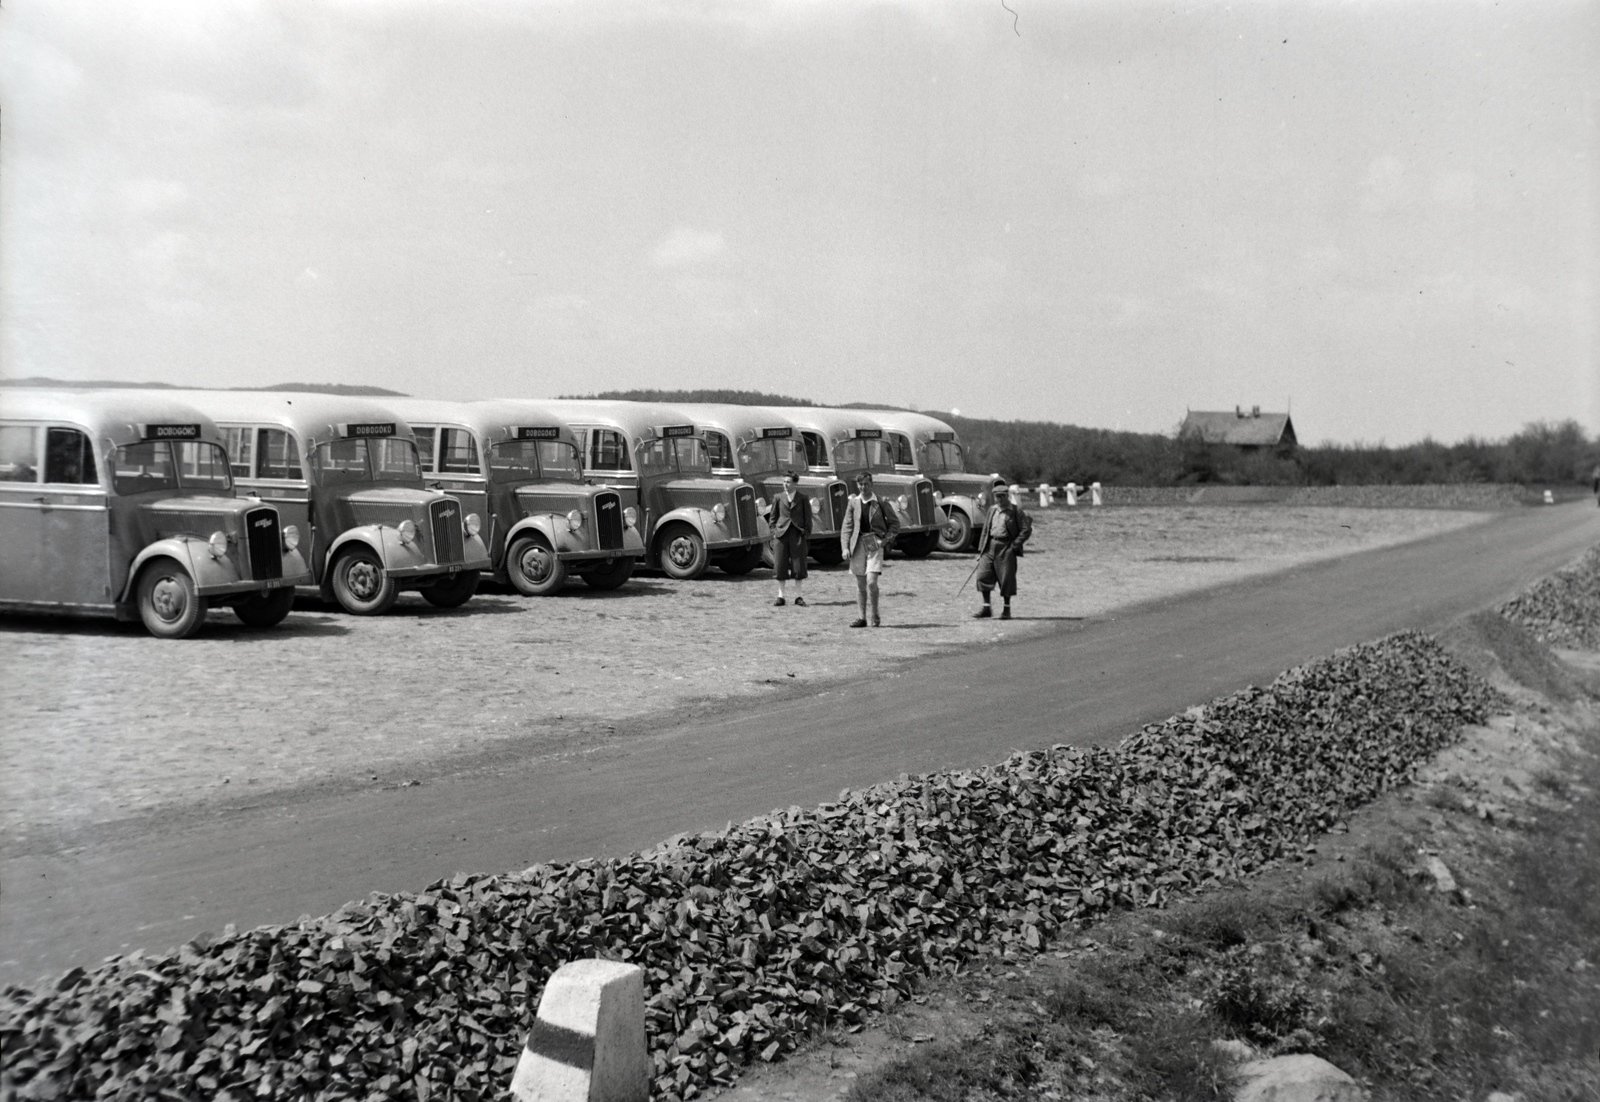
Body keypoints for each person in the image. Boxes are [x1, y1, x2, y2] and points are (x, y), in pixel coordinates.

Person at [839, 470, 900, 627]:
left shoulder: (880, 502)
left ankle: (875, 613)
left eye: (866, 484)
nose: (863, 487)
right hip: (858, 544)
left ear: (872, 485)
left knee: (871, 582)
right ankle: (862, 617)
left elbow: (895, 525)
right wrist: (845, 547)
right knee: (860, 584)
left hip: (874, 544)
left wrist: (884, 540)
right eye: (860, 484)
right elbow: (847, 526)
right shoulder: (853, 503)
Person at [973, 481, 1032, 620]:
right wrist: (981, 550)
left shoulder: (1016, 511)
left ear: (1007, 496)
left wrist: (1015, 546)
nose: (999, 499)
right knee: (982, 576)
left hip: (1006, 547)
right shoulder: (992, 509)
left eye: (1002, 496)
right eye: (997, 497)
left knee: (1006, 578)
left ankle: (1006, 610)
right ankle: (986, 608)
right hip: (990, 546)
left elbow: (1026, 529)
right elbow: (986, 530)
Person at [768, 471, 812, 606]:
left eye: (788, 482)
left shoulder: (803, 498)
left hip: (797, 534)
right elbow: (772, 518)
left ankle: (798, 596)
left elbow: (808, 518)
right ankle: (780, 596)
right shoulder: (778, 497)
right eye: (784, 482)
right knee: (780, 565)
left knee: (798, 566)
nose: (785, 485)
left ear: (795, 483)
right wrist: (774, 531)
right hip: (781, 536)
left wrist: (805, 532)